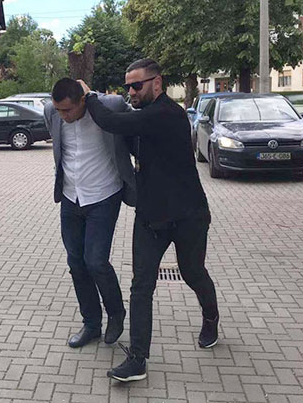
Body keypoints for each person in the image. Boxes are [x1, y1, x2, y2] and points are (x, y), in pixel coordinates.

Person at [79, 58, 219, 383]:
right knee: (141, 286)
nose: (131, 91)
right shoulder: (142, 117)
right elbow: (125, 138)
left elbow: (111, 122)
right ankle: (138, 359)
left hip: (188, 216)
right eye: (127, 86)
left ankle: (211, 318)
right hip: (150, 217)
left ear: (157, 83)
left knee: (192, 272)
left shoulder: (168, 114)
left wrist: (89, 97)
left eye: (137, 85)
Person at [44, 77, 136, 348]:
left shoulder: (112, 105)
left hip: (104, 195)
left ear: (82, 100)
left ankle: (116, 313)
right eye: (59, 110)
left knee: (95, 261)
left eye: (68, 110)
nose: (63, 116)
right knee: (76, 263)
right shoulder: (51, 112)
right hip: (70, 197)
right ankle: (91, 324)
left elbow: (138, 127)